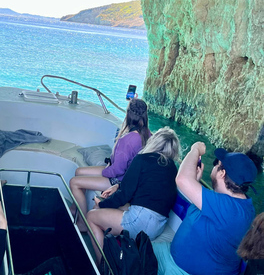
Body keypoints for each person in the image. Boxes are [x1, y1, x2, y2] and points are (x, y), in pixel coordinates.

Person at [152, 144, 257, 275]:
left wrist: (195, 149)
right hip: (173, 257)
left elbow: (182, 179)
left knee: (131, 255)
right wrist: (195, 182)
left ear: (222, 173)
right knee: (138, 247)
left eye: (216, 164)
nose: (213, 167)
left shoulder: (230, 209)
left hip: (181, 270)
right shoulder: (242, 206)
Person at [86, 127, 180, 261]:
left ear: (153, 142)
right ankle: (116, 253)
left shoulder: (142, 159)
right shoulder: (172, 168)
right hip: (158, 226)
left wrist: (101, 203)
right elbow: (142, 189)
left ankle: (104, 266)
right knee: (108, 209)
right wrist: (117, 186)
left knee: (91, 216)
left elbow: (124, 195)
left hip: (141, 222)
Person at [69, 98, 151, 230]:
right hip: (130, 178)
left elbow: (117, 171)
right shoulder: (148, 135)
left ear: (128, 115)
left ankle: (83, 223)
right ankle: (75, 208)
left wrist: (105, 171)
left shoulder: (128, 139)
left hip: (119, 180)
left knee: (74, 182)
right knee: (79, 172)